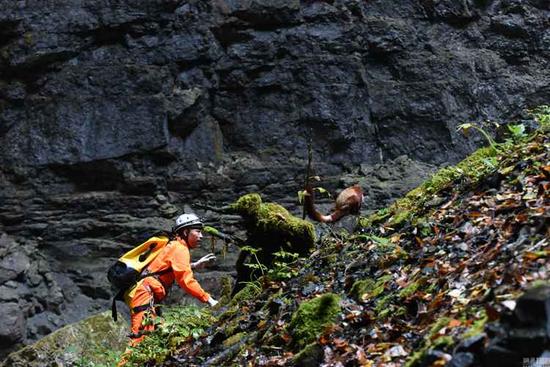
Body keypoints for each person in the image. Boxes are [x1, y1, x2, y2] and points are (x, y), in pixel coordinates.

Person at [124, 213, 218, 346]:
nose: (201, 236)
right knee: (140, 340)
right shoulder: (180, 248)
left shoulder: (174, 245)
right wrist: (208, 299)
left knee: (151, 338)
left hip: (146, 293)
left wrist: (194, 265)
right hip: (145, 294)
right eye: (197, 231)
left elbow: (167, 268)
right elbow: (186, 280)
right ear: (186, 232)